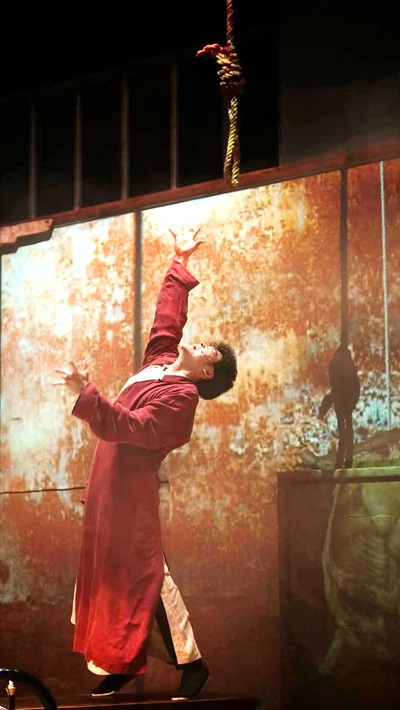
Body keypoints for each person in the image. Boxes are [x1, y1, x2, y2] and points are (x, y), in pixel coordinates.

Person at [52, 225, 237, 701]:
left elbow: (130, 427)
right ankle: (120, 661)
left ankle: (192, 664)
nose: (199, 343)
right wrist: (180, 262)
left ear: (207, 372)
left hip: (131, 497)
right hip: (108, 486)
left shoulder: (182, 399)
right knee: (110, 579)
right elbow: (167, 318)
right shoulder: (160, 360)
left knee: (151, 578)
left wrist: (87, 395)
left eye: (208, 351)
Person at [318, 343, 360, 469]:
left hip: (342, 406)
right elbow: (354, 391)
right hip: (344, 407)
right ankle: (345, 460)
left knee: (344, 434)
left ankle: (343, 460)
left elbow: (331, 396)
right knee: (347, 433)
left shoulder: (339, 379)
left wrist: (322, 412)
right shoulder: (349, 377)